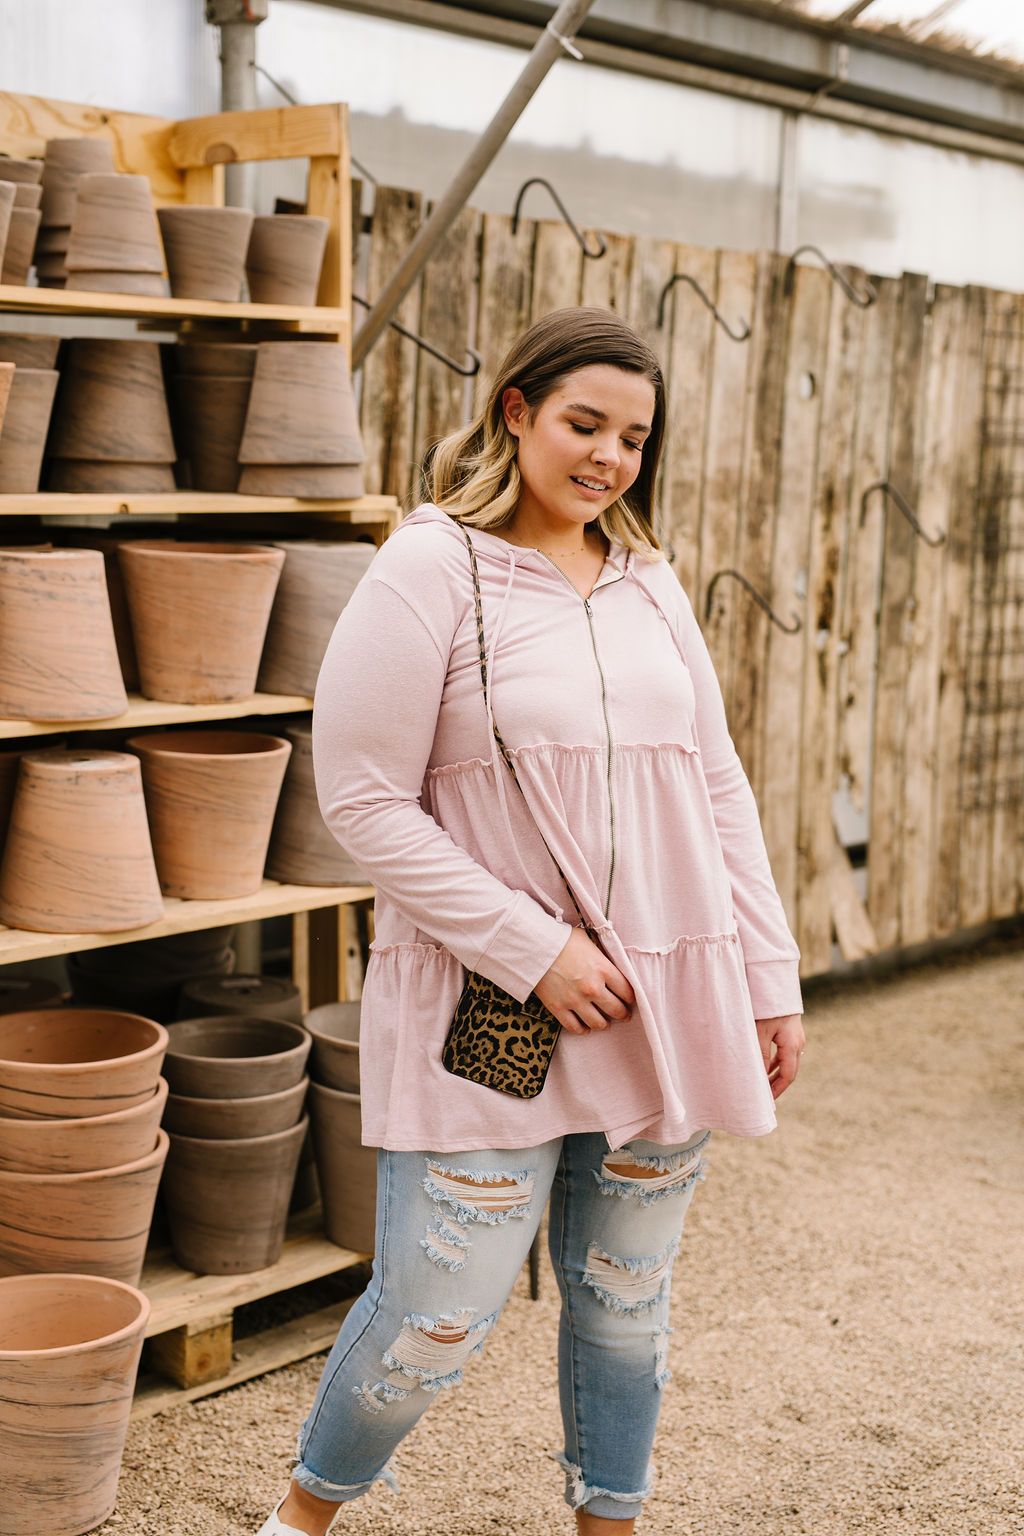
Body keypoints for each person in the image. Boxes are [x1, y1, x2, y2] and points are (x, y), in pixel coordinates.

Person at [257, 306, 807, 1536]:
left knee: (624, 1308)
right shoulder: (428, 565)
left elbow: (714, 784)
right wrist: (531, 947)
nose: (608, 457)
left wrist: (769, 978)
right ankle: (296, 1523)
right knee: (431, 1314)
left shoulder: (650, 582)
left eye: (633, 436)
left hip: (666, 1000)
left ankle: (606, 1527)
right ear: (516, 410)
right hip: (491, 1006)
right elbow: (360, 799)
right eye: (583, 424)